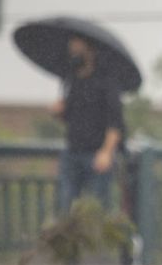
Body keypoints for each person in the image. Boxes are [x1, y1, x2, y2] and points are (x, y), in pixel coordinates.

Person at [52, 35, 126, 215]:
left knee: (96, 208)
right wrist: (59, 112)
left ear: (90, 51)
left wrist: (106, 152)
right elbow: (70, 118)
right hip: (72, 152)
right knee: (67, 205)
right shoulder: (71, 81)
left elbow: (115, 122)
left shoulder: (106, 82)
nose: (74, 53)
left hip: (96, 154)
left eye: (78, 48)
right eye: (72, 49)